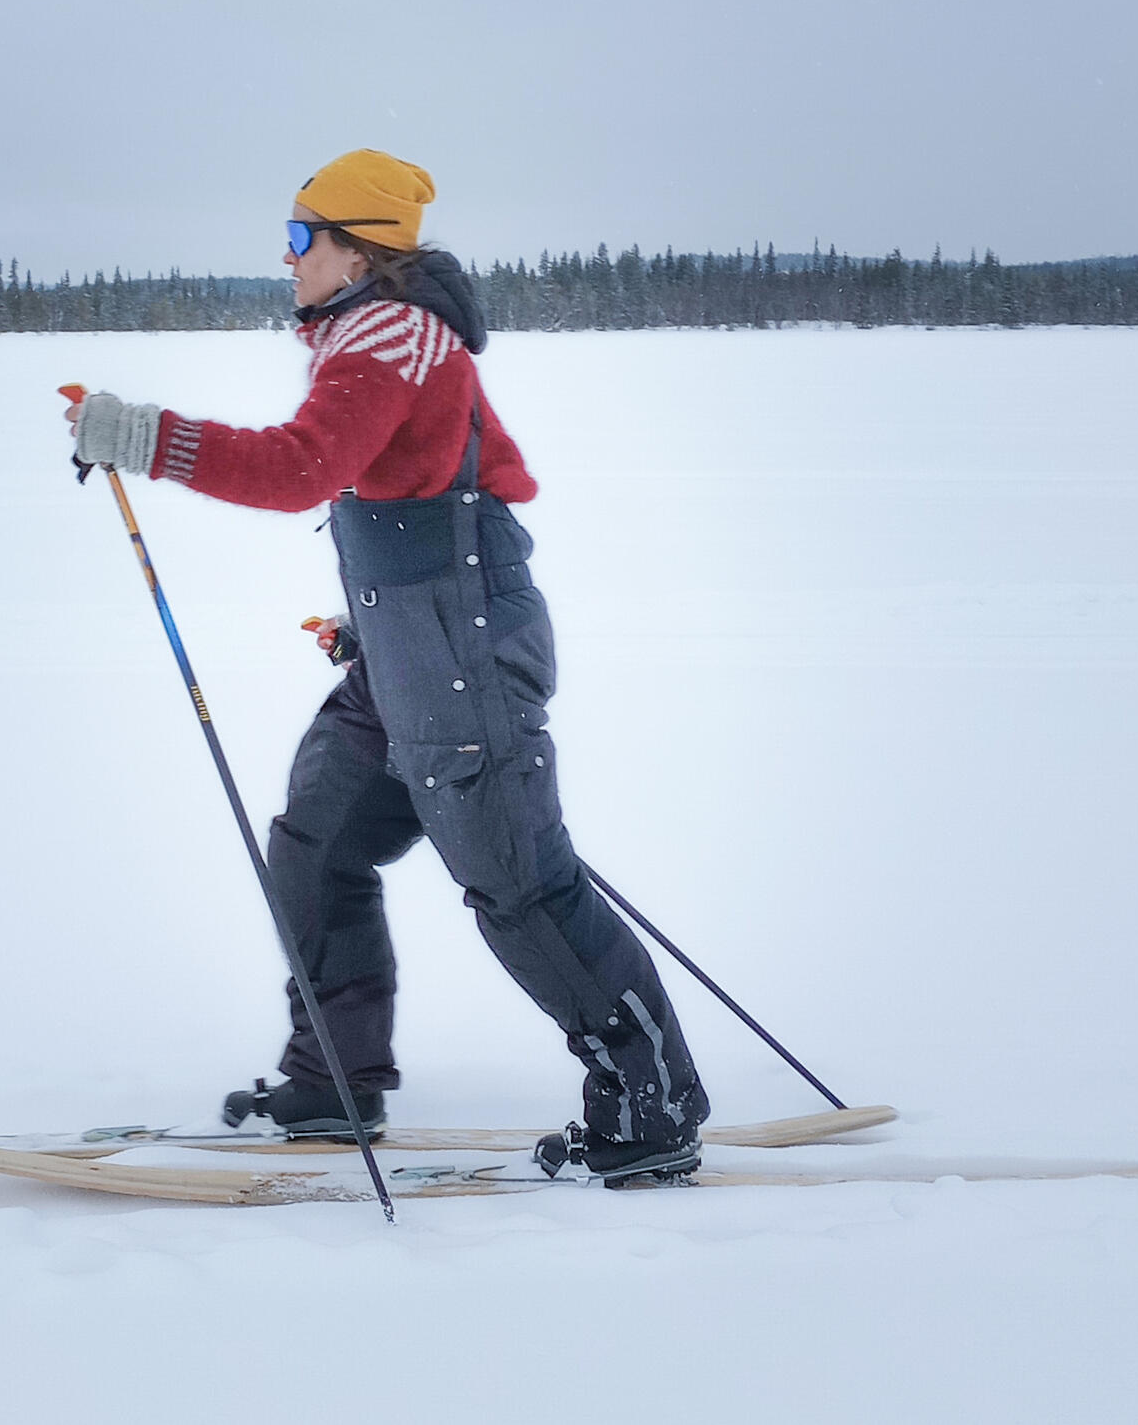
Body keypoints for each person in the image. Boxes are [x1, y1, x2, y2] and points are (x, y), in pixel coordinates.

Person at [64, 148, 710, 1182]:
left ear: (354, 247)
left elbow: (299, 469)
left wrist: (143, 436)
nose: (285, 257)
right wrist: (385, 619)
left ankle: (653, 1101)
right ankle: (336, 1075)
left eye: (296, 236)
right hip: (417, 653)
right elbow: (476, 475)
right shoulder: (382, 334)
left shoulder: (392, 337)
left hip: (461, 660)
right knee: (316, 842)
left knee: (522, 887)